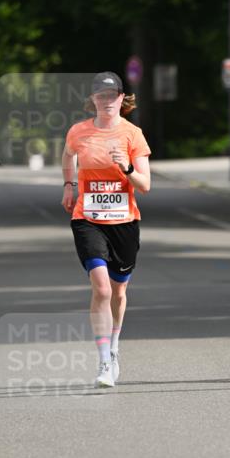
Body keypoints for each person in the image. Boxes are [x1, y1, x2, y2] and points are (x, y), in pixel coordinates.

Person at [61, 72, 151, 388]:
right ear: (94, 100)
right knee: (101, 289)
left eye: (112, 96)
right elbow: (68, 155)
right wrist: (69, 185)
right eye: (101, 96)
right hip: (87, 218)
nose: (106, 101)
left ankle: (113, 347)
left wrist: (126, 167)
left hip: (124, 222)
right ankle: (102, 362)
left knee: (119, 291)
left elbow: (145, 185)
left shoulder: (133, 135)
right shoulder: (79, 131)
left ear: (121, 99)